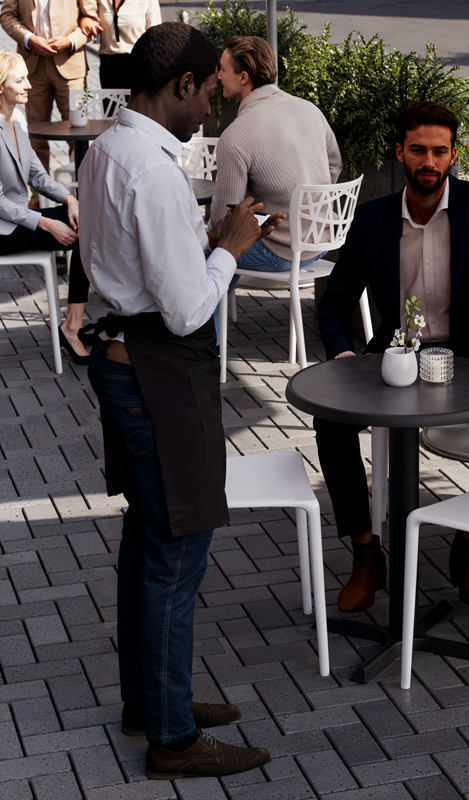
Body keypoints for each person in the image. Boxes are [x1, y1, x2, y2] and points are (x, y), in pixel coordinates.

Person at [78, 21, 281, 780]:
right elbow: (188, 310)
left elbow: (133, 267)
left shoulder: (106, 149)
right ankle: (171, 736)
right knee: (176, 550)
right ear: (181, 86)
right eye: (207, 96)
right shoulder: (155, 172)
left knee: (147, 539)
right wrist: (230, 247)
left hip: (124, 362)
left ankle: (150, 701)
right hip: (154, 374)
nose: (211, 111)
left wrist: (209, 243)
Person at [316, 101, 469, 612]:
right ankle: (366, 553)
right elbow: (335, 299)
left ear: (453, 155)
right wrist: (343, 355)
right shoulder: (373, 219)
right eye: (418, 150)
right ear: (399, 152)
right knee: (331, 423)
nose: (428, 161)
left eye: (439, 151)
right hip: (397, 352)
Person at [209, 34, 341, 326]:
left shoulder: (235, 136)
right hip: (323, 241)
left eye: (223, 69)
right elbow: (335, 164)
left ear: (243, 77)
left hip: (281, 251)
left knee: (210, 256)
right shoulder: (309, 109)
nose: (217, 76)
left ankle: (207, 345)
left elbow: (222, 222)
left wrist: (205, 241)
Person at [0, 50, 90, 363]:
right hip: (3, 228)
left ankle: (72, 325)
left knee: (86, 222)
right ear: (0, 86)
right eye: (19, 80)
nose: (28, 85)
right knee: (82, 231)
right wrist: (46, 223)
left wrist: (69, 199)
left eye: (27, 78)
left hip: (19, 218)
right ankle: (72, 329)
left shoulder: (17, 120)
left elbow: (37, 175)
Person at [0, 0, 100, 175]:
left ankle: (82, 189)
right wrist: (29, 38)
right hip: (32, 66)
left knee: (79, 134)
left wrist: (69, 41)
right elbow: (7, 15)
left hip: (70, 63)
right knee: (35, 136)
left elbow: (91, 20)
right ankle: (38, 191)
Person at [90, 0, 161, 90]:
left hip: (138, 66)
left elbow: (155, 37)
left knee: (137, 99)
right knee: (109, 99)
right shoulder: (100, 1)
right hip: (109, 66)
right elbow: (89, 18)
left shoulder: (149, 1)